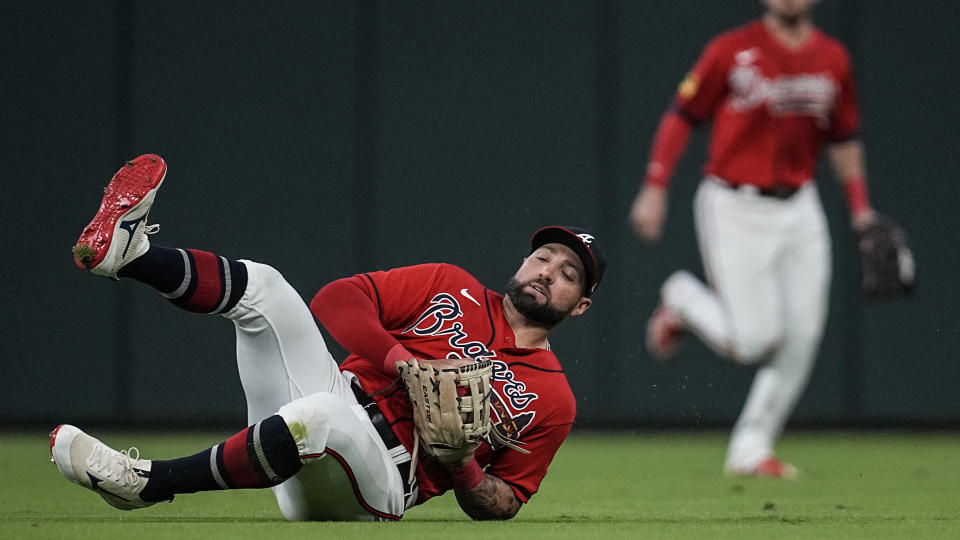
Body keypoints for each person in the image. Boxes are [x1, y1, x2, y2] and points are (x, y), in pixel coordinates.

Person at [51, 154, 606, 521]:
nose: (547, 271)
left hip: (381, 479)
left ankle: (148, 481)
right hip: (334, 396)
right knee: (266, 288)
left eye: (567, 273)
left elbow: (503, 503)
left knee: (316, 416)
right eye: (543, 256)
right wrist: (402, 363)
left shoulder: (554, 398)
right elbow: (335, 300)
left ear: (579, 306)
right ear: (523, 260)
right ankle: (133, 256)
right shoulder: (450, 285)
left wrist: (461, 462)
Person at [629, 0, 886, 478]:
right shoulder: (731, 49)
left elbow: (845, 137)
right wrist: (655, 184)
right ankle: (682, 299)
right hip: (734, 203)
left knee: (804, 335)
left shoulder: (833, 58)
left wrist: (861, 210)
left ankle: (751, 447)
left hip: (800, 206)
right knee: (754, 340)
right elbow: (681, 114)